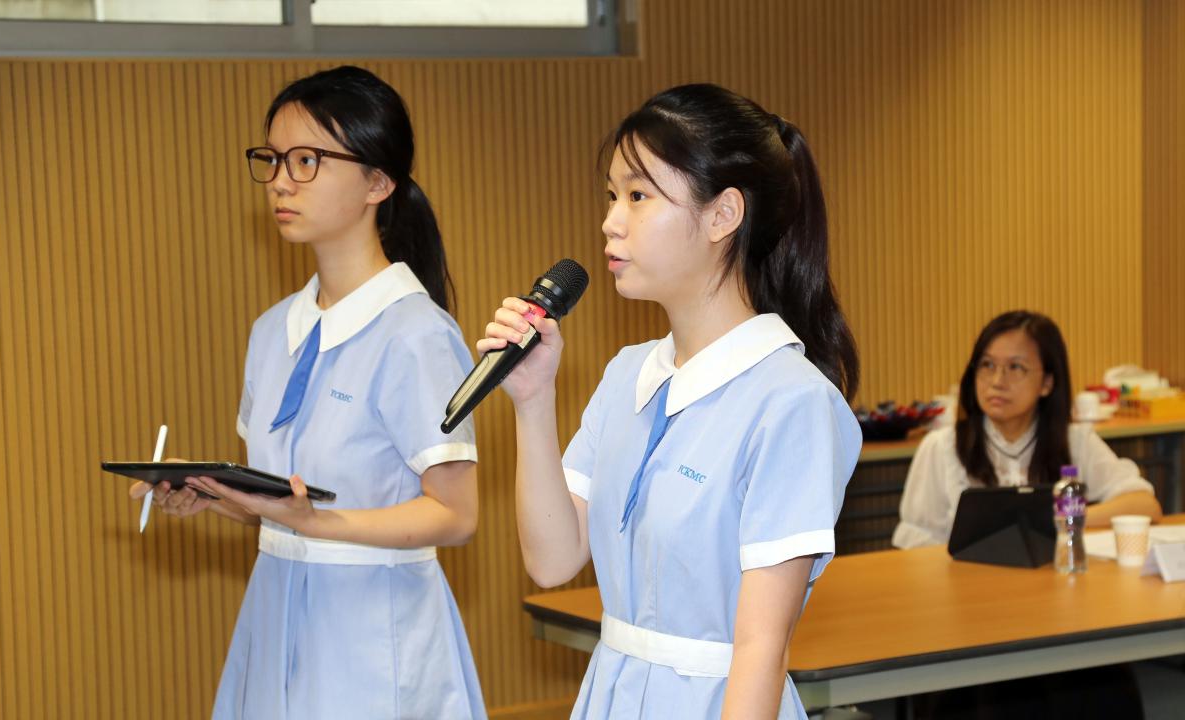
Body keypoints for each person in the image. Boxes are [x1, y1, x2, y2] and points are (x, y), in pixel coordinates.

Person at [478, 84, 861, 719]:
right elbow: (551, 560)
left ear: (722, 215)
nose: (611, 221)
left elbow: (761, 652)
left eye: (638, 196)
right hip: (612, 690)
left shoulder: (792, 402)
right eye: (612, 195)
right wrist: (532, 398)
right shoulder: (628, 373)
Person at [129, 66, 486, 719]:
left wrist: (320, 522)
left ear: (378, 183)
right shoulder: (273, 331)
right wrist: (209, 489)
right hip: (274, 608)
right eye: (272, 159)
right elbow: (282, 504)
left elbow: (455, 516)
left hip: (373, 626)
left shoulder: (416, 334)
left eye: (307, 160)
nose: (280, 181)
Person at [893, 310, 1162, 549]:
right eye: (987, 365)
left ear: (1047, 383)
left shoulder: (1075, 441)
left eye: (1015, 367)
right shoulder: (942, 447)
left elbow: (1144, 505)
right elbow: (915, 543)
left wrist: (1060, 517)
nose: (997, 381)